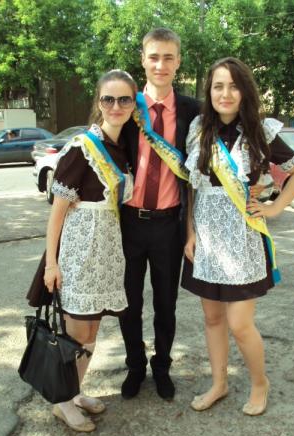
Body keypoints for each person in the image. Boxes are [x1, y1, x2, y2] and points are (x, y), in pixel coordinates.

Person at [181, 57, 294, 416]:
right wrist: (190, 233)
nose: (225, 93)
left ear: (244, 91)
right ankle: (219, 384)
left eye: (233, 86)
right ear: (209, 91)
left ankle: (259, 383)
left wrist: (275, 206)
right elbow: (192, 187)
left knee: (239, 324)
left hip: (242, 240)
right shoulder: (198, 129)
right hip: (207, 241)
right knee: (212, 319)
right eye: (218, 86)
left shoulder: (259, 130)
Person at [43, 70, 137, 432]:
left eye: (124, 99)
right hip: (80, 253)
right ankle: (62, 403)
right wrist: (51, 264)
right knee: (75, 334)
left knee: (92, 331)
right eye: (108, 99)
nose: (116, 106)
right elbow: (57, 213)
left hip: (106, 251)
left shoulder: (122, 148)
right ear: (99, 103)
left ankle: (75, 391)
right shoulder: (81, 147)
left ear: (133, 104)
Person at [117, 28, 201, 400]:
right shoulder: (125, 105)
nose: (160, 65)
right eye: (154, 57)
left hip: (169, 225)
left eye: (168, 57)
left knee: (166, 305)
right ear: (143, 60)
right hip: (128, 224)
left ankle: (162, 366)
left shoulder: (193, 110)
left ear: (178, 61)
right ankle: (135, 367)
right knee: (128, 303)